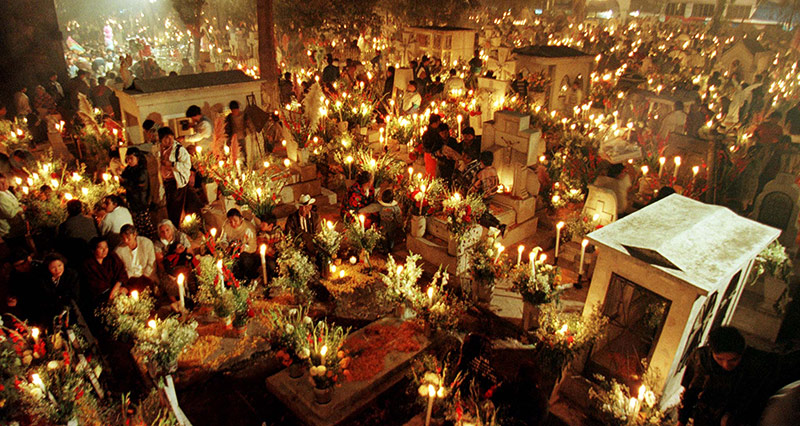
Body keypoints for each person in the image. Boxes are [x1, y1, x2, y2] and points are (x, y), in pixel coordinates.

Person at [678, 327, 775, 426]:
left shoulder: (754, 364)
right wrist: (681, 421)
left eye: (733, 360)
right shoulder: (701, 359)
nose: (726, 365)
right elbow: (690, 393)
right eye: (719, 359)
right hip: (705, 417)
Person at [159, 127, 197, 226]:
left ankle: (175, 228)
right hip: (166, 182)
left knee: (176, 210)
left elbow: (186, 165)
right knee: (170, 208)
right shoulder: (161, 150)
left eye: (171, 137)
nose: (170, 140)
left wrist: (171, 164)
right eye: (166, 138)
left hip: (176, 182)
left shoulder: (179, 150)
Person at [37, 253, 81, 326]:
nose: (57, 270)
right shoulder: (43, 279)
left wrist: (63, 309)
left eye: (60, 265)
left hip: (69, 309)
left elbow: (73, 296)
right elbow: (45, 297)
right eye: (53, 267)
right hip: (50, 310)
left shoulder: (71, 274)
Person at [120, 147, 155, 239]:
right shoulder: (129, 169)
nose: (129, 161)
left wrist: (125, 182)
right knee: (137, 225)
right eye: (127, 158)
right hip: (133, 201)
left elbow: (139, 187)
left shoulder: (142, 171)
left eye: (131, 158)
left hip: (141, 201)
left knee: (145, 225)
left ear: (138, 158)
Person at [82, 236, 128, 306]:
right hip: (102, 296)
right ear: (93, 250)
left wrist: (117, 287)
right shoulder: (88, 264)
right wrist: (113, 292)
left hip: (118, 289)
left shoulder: (112, 257)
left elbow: (122, 273)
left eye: (106, 247)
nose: (105, 250)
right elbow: (94, 285)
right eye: (101, 248)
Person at [114, 224, 157, 290]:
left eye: (128, 238)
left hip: (147, 276)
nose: (126, 241)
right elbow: (122, 270)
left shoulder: (146, 243)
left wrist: (144, 276)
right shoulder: (119, 250)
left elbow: (151, 263)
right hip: (131, 279)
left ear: (134, 235)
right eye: (123, 238)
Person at [221, 208, 259, 281]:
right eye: (230, 221)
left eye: (235, 221)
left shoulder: (248, 228)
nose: (233, 224)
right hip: (231, 250)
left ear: (241, 219)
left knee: (245, 260)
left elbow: (253, 246)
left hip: (246, 253)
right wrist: (227, 247)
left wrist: (244, 248)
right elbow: (222, 240)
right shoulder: (226, 225)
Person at [0, 173, 26, 249]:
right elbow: (10, 213)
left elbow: (15, 203)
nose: (5, 184)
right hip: (9, 231)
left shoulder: (6, 192)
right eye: (1, 183)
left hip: (17, 227)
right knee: (18, 248)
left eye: (5, 181)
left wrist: (20, 205)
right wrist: (21, 209)